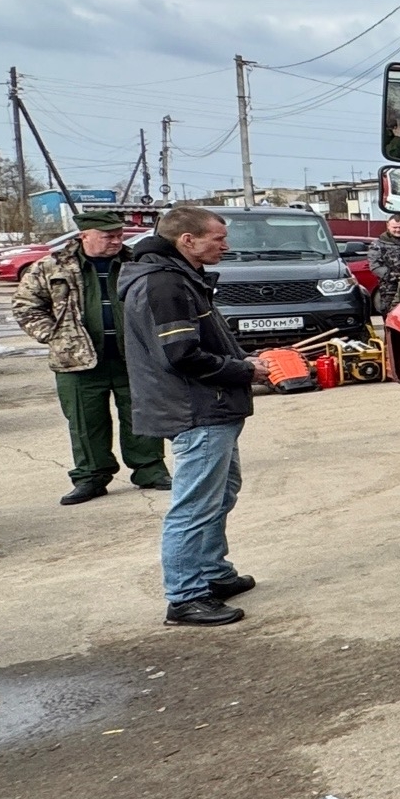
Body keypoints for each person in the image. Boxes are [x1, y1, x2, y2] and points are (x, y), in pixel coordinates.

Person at [121, 204, 258, 627]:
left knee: (221, 492)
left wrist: (241, 361)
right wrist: (247, 369)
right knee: (194, 505)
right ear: (187, 241)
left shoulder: (178, 276)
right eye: (218, 238)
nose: (226, 245)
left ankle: (212, 573)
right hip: (195, 408)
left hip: (208, 404)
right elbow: (182, 355)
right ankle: (185, 596)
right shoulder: (164, 284)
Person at [11, 210, 171, 505]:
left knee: (141, 414)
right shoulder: (52, 266)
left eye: (119, 235)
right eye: (108, 236)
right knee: (86, 421)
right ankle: (91, 476)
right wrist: (55, 335)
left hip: (133, 356)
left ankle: (150, 469)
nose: (116, 241)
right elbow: (25, 306)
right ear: (84, 236)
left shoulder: (136, 263)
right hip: (76, 360)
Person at [365, 213, 400, 316]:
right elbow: (375, 266)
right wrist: (394, 276)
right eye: (395, 227)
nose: (398, 230)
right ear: (388, 226)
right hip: (389, 289)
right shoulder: (378, 244)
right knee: (390, 315)